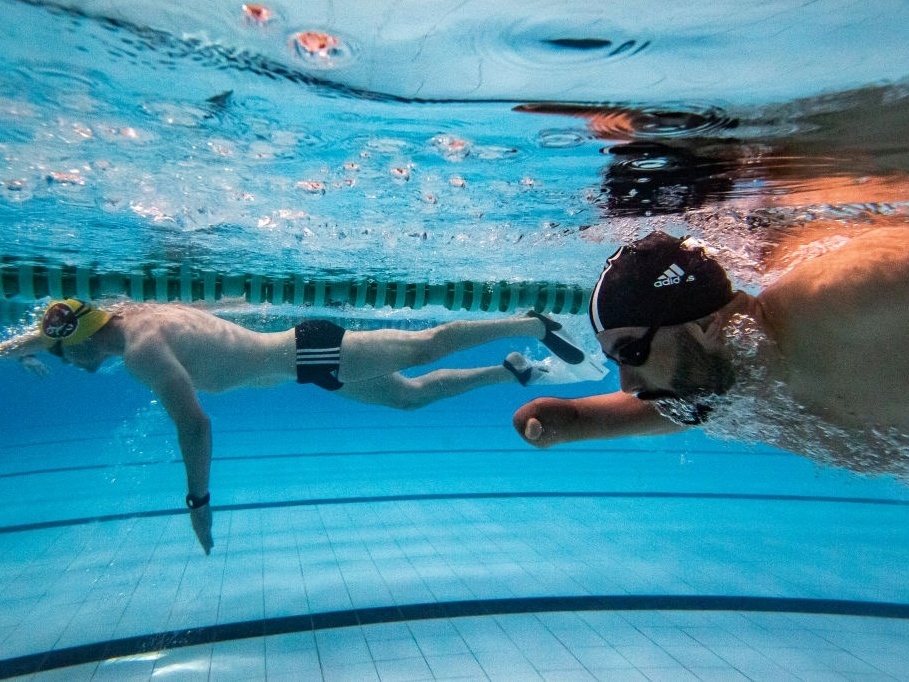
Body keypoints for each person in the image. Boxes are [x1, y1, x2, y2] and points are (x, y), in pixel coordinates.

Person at [1, 300, 587, 553]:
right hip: (304, 367)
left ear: (78, 340)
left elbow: (195, 427)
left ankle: (531, 325)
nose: (66, 365)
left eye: (61, 354)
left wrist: (198, 500)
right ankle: (512, 373)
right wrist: (11, 346)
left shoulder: (141, 350)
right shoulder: (118, 312)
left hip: (307, 352)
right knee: (407, 399)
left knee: (424, 347)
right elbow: (50, 329)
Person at [513, 227, 909, 478]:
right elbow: (677, 405)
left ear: (706, 327)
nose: (627, 384)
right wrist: (578, 420)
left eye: (632, 353)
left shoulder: (852, 296)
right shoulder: (735, 370)